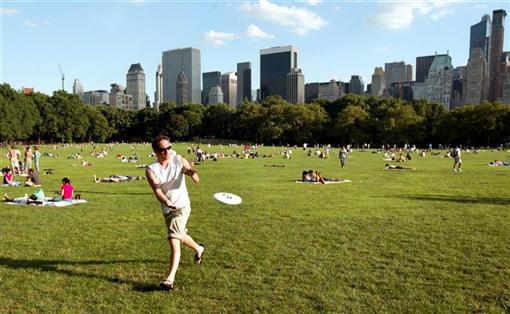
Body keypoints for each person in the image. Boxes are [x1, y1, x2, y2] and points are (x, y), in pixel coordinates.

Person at [146, 135, 204, 291]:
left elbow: (196, 178)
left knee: (174, 239)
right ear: (156, 152)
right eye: (162, 149)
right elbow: (157, 191)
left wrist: (192, 173)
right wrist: (167, 202)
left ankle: (169, 279)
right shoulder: (151, 169)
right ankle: (199, 248)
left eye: (168, 148)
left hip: (183, 206)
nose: (166, 151)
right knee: (180, 235)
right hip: (167, 208)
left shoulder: (179, 160)